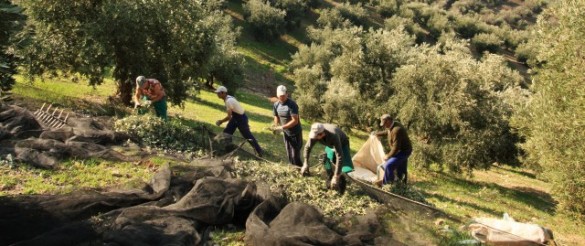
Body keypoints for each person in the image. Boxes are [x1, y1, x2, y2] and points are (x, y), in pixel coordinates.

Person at [302, 123, 354, 192]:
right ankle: (330, 179)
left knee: (342, 167)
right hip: (330, 144)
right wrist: (305, 163)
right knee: (327, 160)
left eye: (316, 136)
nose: (314, 138)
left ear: (322, 134)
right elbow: (307, 148)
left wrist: (336, 176)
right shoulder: (316, 133)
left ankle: (340, 187)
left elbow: (340, 157)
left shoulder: (333, 135)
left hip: (342, 143)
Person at [215, 86, 264, 157]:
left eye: (218, 93)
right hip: (235, 118)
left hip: (241, 119)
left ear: (223, 93)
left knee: (247, 135)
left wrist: (221, 121)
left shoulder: (228, 101)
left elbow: (229, 117)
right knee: (227, 133)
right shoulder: (228, 98)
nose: (217, 94)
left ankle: (259, 151)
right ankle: (228, 150)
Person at [373, 114, 412, 186]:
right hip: (401, 150)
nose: (384, 126)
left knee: (389, 165)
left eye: (384, 124)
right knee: (401, 169)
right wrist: (377, 134)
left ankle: (387, 185)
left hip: (403, 151)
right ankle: (402, 185)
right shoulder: (392, 126)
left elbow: (396, 148)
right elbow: (387, 132)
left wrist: (388, 156)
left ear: (388, 121)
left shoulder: (397, 129)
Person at [272, 85, 303, 166]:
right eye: (280, 96)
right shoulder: (276, 105)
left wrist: (282, 127)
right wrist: (275, 126)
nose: (281, 97)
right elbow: (276, 116)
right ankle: (293, 169)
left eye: (283, 95)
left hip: (295, 133)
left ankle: (302, 170)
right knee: (289, 154)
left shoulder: (292, 105)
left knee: (295, 156)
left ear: (287, 94)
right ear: (277, 95)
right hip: (286, 133)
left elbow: (295, 121)